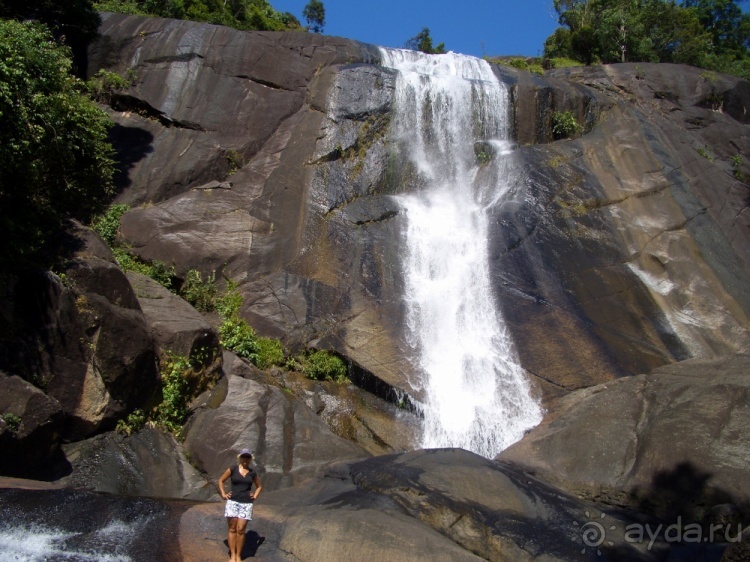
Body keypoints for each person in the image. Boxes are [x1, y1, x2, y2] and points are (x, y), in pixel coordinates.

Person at [218, 448, 262, 562]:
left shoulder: (252, 473)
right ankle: (232, 555)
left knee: (241, 529)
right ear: (240, 457)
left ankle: (239, 555)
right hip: (233, 501)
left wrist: (255, 496)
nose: (245, 459)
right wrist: (223, 494)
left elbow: (259, 486)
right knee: (232, 529)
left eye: (248, 457)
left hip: (246, 503)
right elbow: (221, 481)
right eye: (244, 456)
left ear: (250, 459)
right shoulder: (232, 469)